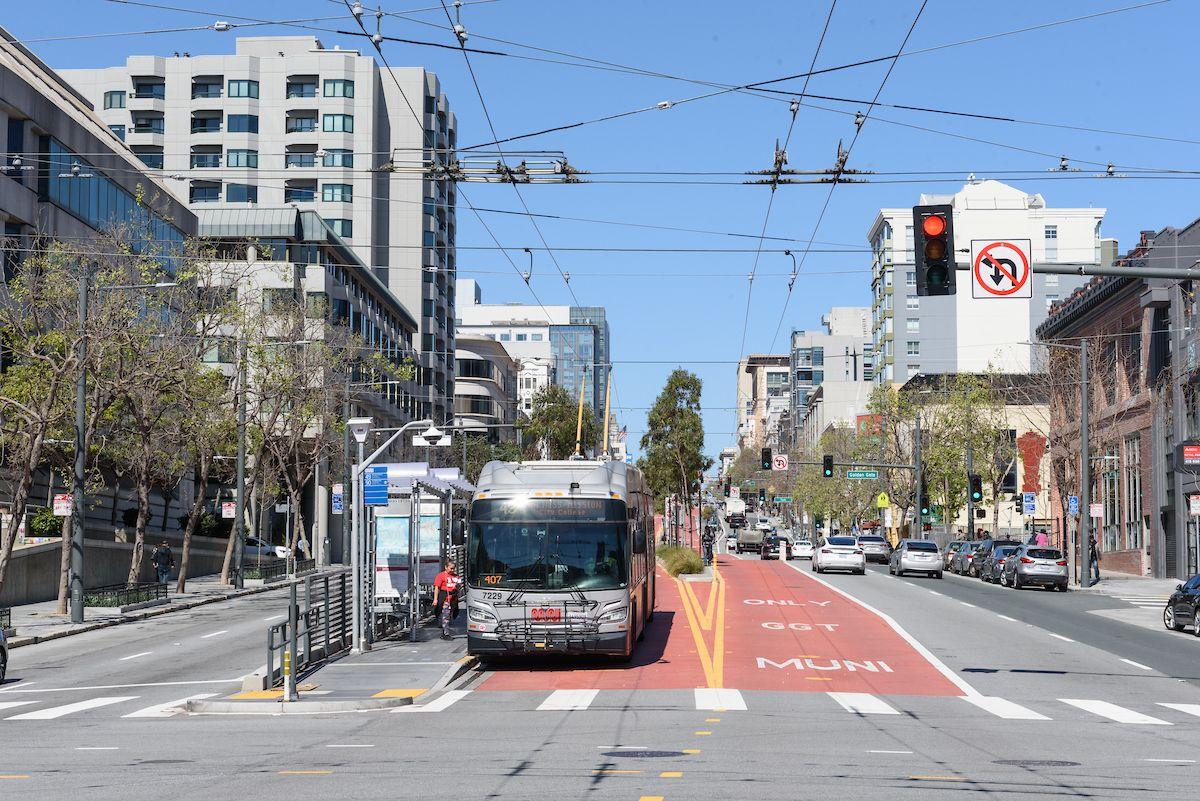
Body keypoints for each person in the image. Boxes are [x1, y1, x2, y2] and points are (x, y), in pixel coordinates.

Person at [432, 562, 462, 640]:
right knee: (445, 616)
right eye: (451, 568)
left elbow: (459, 587)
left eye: (453, 568)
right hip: (445, 598)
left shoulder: (456, 577)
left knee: (449, 615)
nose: (452, 570)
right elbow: (437, 588)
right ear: (446, 567)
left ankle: (445, 631)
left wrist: (457, 587)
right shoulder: (441, 576)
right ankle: (445, 633)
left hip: (453, 599)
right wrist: (435, 599)